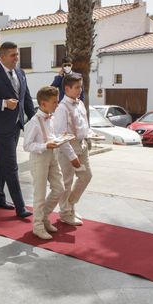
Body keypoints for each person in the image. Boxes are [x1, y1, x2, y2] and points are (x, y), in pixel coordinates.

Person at [0, 41, 35, 218]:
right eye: (12, 55)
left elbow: (26, 98)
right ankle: (20, 207)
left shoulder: (20, 72)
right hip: (0, 127)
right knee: (11, 165)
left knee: (2, 161)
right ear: (2, 57)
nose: (16, 58)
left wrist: (36, 120)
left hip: (16, 124)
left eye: (17, 54)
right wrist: (3, 103)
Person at [23, 86, 65, 240]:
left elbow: (51, 135)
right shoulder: (34, 122)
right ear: (43, 103)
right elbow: (27, 145)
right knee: (39, 193)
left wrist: (59, 139)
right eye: (54, 102)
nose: (57, 104)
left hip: (52, 155)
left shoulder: (51, 117)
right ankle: (38, 225)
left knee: (59, 188)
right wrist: (44, 146)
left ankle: (44, 217)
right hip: (39, 158)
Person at [53, 73, 93, 226]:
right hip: (68, 148)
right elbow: (60, 136)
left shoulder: (80, 103)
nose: (80, 90)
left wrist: (90, 135)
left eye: (81, 87)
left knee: (86, 176)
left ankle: (70, 204)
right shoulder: (62, 108)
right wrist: (71, 156)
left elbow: (84, 125)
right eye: (77, 87)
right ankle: (65, 213)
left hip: (82, 145)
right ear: (67, 88)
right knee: (67, 182)